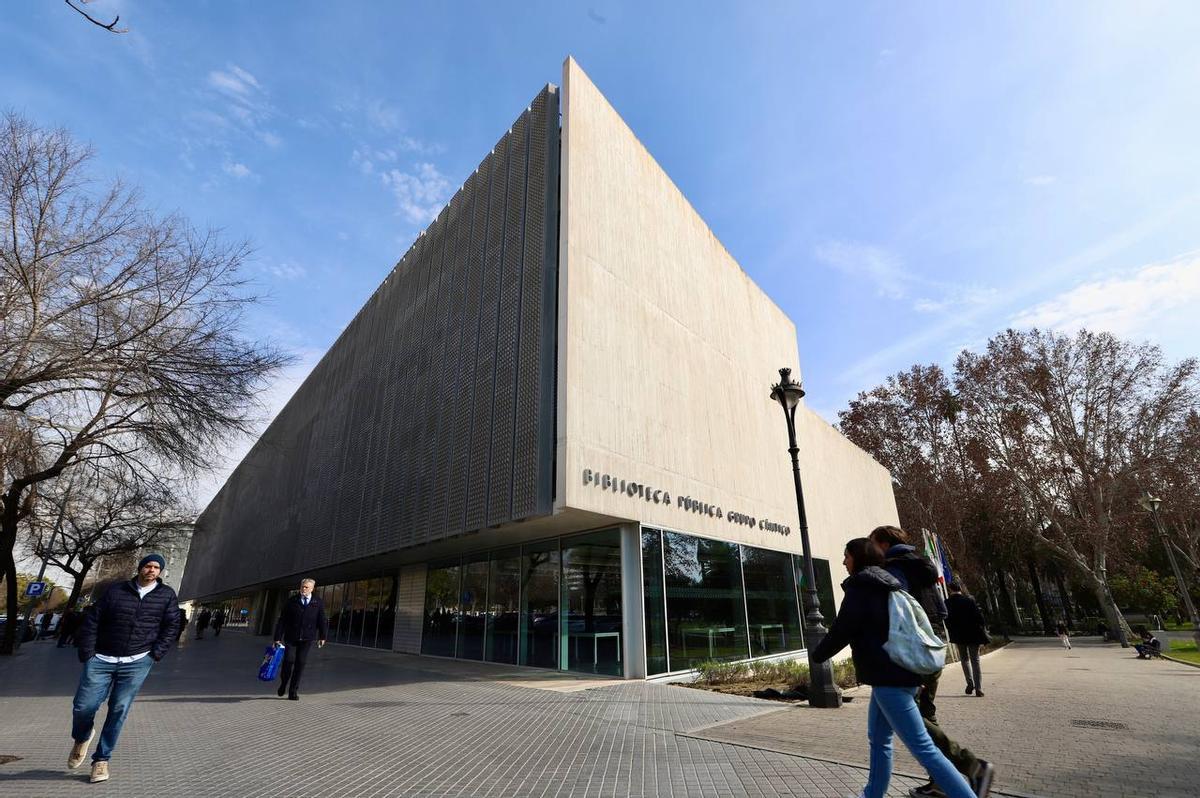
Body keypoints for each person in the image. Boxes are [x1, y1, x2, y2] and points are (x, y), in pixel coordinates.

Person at [812, 538, 985, 798]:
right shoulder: (887, 584)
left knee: (924, 748)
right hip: (897, 674)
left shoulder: (862, 587)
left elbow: (842, 629)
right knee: (880, 742)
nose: (843, 561)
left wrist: (818, 655)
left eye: (846, 555)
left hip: (889, 679)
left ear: (858, 557)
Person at [69, 554, 181, 784]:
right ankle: (82, 736)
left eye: (156, 567)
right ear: (140, 568)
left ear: (161, 572)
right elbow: (93, 620)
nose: (152, 570)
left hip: (138, 660)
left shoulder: (166, 595)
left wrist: (155, 654)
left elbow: (172, 626)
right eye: (148, 566)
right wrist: (88, 653)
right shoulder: (116, 591)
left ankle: (101, 760)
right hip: (101, 658)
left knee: (119, 708)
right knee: (83, 706)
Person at [273, 578, 328, 700]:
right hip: (291, 637)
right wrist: (277, 638)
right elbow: (282, 620)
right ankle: (283, 683)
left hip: (307, 638)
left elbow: (322, 620)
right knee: (288, 661)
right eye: (302, 586)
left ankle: (293, 691)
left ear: (312, 589)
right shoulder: (292, 601)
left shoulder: (317, 602)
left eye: (306, 587)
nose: (303, 589)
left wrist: (323, 636)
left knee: (300, 664)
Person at [945, 582, 989, 697]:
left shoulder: (947, 603)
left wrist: (952, 631)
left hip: (959, 636)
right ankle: (979, 688)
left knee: (964, 659)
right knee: (975, 660)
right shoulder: (969, 600)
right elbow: (980, 618)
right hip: (973, 634)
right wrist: (983, 629)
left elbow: (946, 620)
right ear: (960, 589)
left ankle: (969, 683)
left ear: (950, 590)